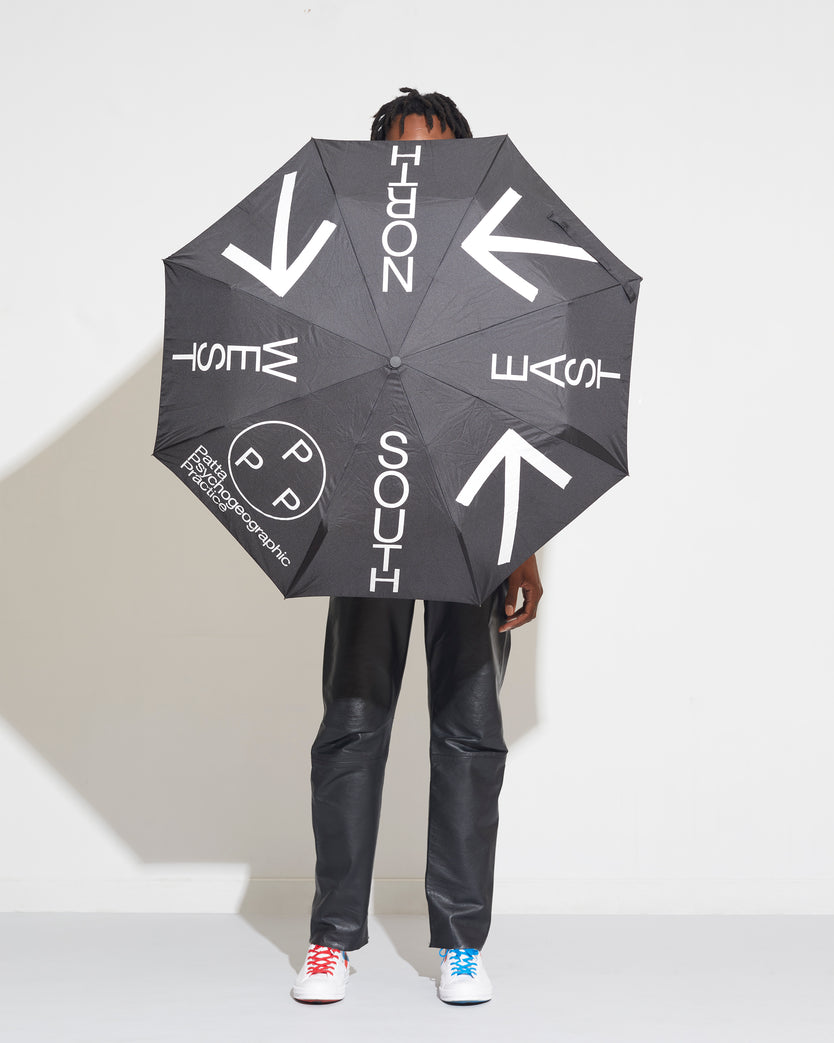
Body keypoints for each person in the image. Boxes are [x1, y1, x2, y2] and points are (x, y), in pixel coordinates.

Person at [291, 88, 543, 1006]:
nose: (417, 163)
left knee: (470, 731)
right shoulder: (345, 265)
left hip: (474, 518)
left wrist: (524, 543)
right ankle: (331, 937)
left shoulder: (495, 270)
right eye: (403, 147)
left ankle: (461, 942)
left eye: (435, 149)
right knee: (353, 724)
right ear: (379, 161)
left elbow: (527, 411)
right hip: (371, 516)